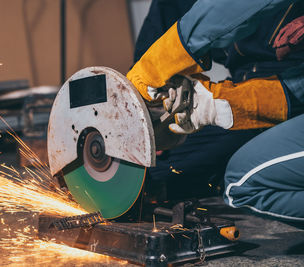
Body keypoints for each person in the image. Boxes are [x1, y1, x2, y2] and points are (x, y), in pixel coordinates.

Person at [127, 0, 304, 221]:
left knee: (237, 182)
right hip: (246, 85)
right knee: (153, 170)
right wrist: (144, 107)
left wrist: (236, 103)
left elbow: (230, 8)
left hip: (289, 97)